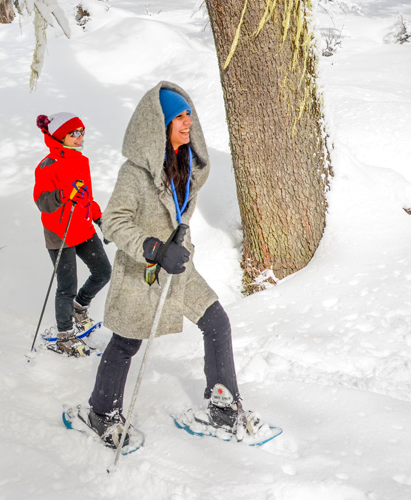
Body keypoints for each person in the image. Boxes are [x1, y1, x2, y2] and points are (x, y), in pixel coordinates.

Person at [85, 82, 262, 447]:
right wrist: (153, 248)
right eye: (178, 117)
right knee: (125, 343)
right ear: (158, 125)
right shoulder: (134, 173)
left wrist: (174, 252)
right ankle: (102, 412)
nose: (188, 123)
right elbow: (113, 221)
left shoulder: (185, 166)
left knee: (217, 322)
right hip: (144, 272)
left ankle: (223, 405)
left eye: (188, 115)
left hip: (180, 269)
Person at [33, 112, 111, 356]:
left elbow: (86, 197)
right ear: (60, 136)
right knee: (67, 286)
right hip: (60, 231)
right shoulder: (48, 165)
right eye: (73, 133)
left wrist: (100, 218)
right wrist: (63, 194)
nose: (79, 137)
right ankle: (64, 335)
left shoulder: (81, 160)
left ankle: (79, 307)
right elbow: (42, 202)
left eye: (81, 132)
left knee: (103, 272)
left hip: (82, 226)